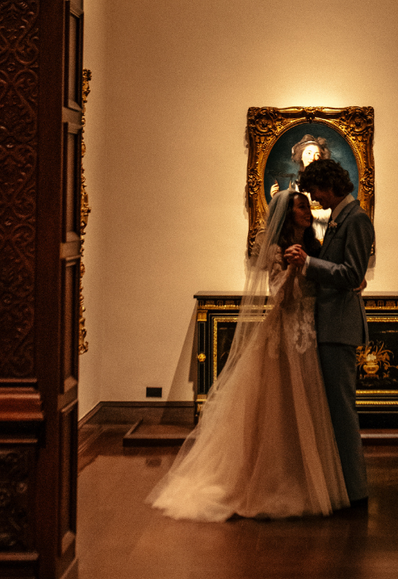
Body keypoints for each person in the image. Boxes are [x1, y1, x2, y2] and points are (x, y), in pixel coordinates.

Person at [148, 190, 349, 521]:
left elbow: (324, 283)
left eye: (306, 206)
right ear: (286, 213)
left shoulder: (316, 245)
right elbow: (279, 298)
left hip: (310, 334)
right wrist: (293, 269)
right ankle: (269, 479)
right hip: (283, 334)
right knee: (278, 408)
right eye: (300, 207)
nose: (307, 211)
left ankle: (306, 476)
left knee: (309, 407)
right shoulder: (275, 250)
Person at [284, 159, 374, 507]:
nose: (314, 198)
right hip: (329, 325)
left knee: (342, 412)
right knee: (333, 412)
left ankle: (356, 492)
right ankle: (341, 488)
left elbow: (352, 274)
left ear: (330, 185)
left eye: (316, 190)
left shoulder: (357, 219)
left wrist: (308, 263)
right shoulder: (340, 218)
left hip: (339, 328)